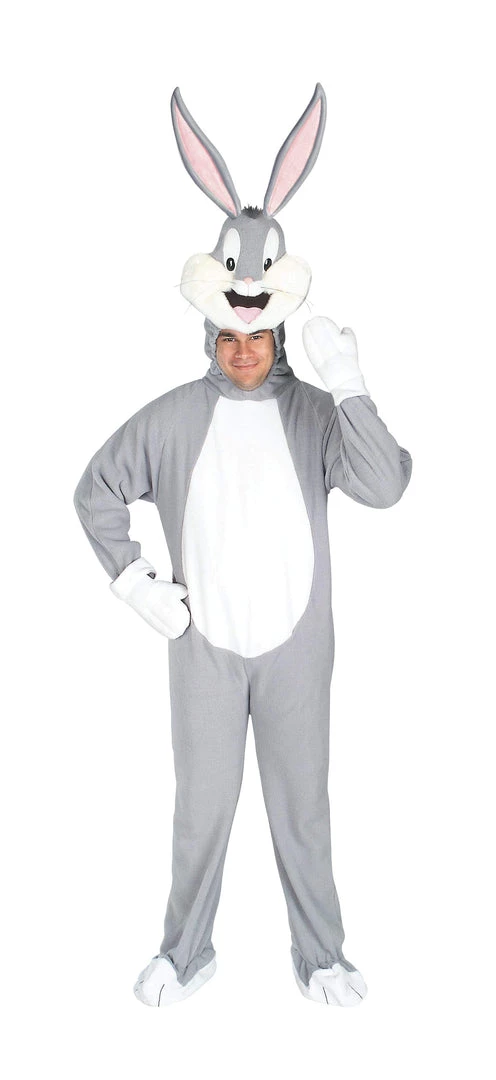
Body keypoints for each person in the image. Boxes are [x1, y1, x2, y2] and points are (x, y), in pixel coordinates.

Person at [74, 83, 412, 1008]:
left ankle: (322, 955)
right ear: (212, 326)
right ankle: (186, 954)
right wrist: (136, 583)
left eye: (257, 333)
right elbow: (96, 489)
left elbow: (386, 484)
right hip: (206, 652)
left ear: (278, 327)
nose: (244, 346)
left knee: (304, 809)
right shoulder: (172, 419)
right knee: (201, 811)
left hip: (298, 649)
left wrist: (351, 387)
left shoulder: (315, 415)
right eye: (229, 333)